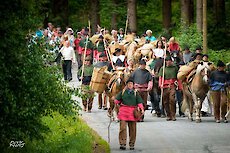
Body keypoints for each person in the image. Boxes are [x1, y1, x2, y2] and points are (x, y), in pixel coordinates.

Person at [114, 79, 144, 150]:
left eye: (131, 84)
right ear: (127, 85)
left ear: (133, 85)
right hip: (123, 111)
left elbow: (139, 102)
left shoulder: (136, 93)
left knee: (133, 129)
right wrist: (114, 101)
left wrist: (142, 109)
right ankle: (122, 144)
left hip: (132, 112)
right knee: (122, 128)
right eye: (129, 84)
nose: (130, 85)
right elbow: (116, 100)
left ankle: (132, 144)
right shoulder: (122, 92)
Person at [159, 56, 179, 121]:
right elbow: (161, 77)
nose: (168, 62)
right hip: (165, 86)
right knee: (165, 101)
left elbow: (177, 76)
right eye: (167, 61)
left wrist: (177, 83)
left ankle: (173, 115)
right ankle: (168, 115)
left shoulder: (174, 68)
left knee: (172, 99)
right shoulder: (163, 68)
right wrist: (160, 84)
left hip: (172, 85)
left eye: (170, 60)